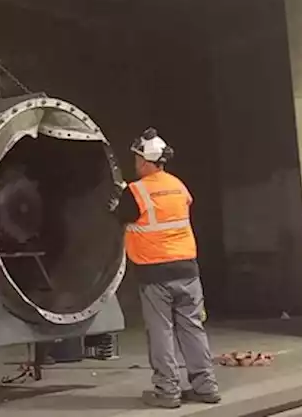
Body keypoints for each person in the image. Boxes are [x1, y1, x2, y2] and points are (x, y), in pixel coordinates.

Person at [113, 128, 220, 409]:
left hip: (154, 272)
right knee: (193, 328)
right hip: (187, 268)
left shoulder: (136, 191)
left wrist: (119, 194)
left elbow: (117, 216)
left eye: (137, 158)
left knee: (161, 331)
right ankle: (206, 386)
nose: (135, 163)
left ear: (145, 161)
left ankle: (168, 391)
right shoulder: (179, 186)